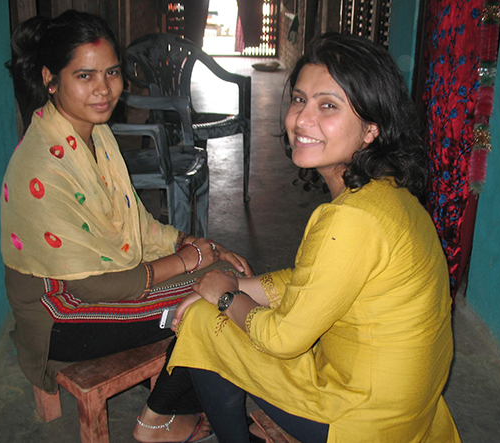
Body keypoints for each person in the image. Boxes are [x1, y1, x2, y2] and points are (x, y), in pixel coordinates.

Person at [169, 33, 462, 443]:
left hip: (363, 418)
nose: (301, 120)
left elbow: (283, 339)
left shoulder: (351, 220)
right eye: (299, 99)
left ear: (371, 128)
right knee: (220, 308)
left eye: (328, 105)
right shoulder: (389, 194)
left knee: (204, 322)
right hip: (407, 404)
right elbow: (313, 280)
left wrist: (223, 297)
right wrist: (233, 283)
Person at [2, 10, 251, 443]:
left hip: (98, 287)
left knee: (227, 281)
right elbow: (94, 287)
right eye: (85, 75)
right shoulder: (43, 166)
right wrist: (186, 261)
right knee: (215, 299)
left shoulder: (94, 135)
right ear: (50, 78)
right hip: (61, 315)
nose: (104, 89)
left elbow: (136, 221)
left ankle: (178, 404)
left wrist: (195, 242)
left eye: (112, 73)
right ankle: (160, 418)